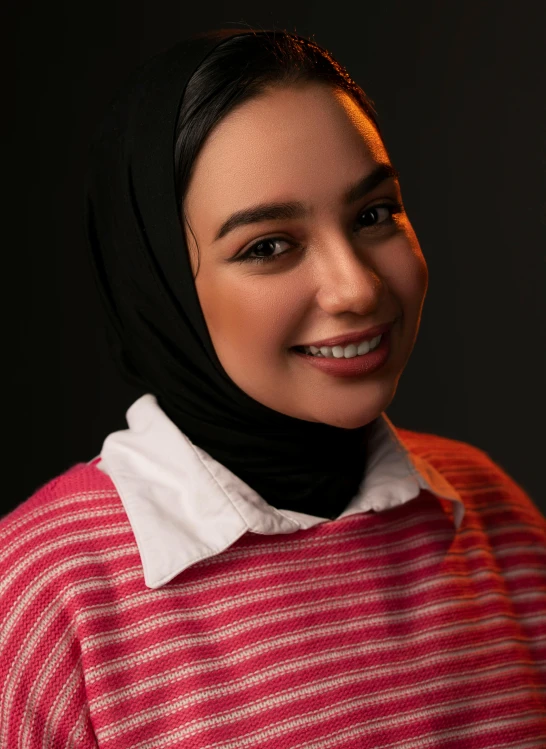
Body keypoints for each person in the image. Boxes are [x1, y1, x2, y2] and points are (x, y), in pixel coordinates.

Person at [1, 27, 545, 749]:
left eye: (374, 214)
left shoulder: (491, 514)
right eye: (268, 246)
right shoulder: (40, 604)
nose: (357, 287)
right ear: (158, 287)